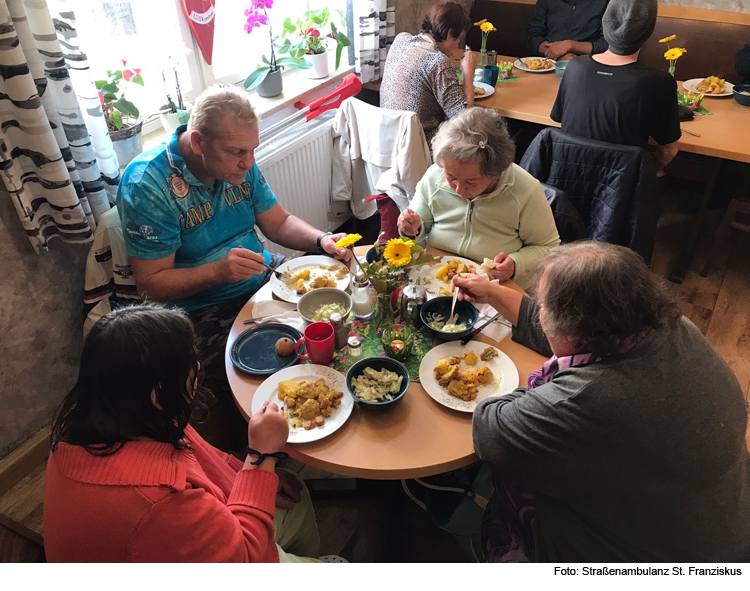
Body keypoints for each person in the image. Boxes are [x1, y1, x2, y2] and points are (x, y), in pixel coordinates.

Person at [452, 242, 750, 562]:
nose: (536, 309)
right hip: (724, 524)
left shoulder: (578, 401)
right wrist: (493, 292)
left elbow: (490, 433)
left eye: (541, 305)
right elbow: (568, 335)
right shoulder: (663, 325)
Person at [116, 85, 351, 448]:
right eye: (237, 152)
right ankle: (253, 457)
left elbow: (277, 223)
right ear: (197, 142)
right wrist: (218, 272)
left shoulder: (240, 165)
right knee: (244, 380)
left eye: (252, 150)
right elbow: (151, 285)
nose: (248, 162)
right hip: (196, 309)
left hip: (262, 278)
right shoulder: (147, 184)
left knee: (331, 326)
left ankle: (306, 433)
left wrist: (322, 240)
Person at [44, 304, 323, 562]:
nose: (198, 367)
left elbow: (205, 462)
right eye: (189, 366)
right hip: (237, 557)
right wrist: (262, 456)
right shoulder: (159, 503)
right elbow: (245, 559)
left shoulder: (112, 415)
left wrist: (252, 477)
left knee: (296, 499)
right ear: (157, 394)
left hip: (191, 539)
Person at [397, 108, 560, 289]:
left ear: (496, 172)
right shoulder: (434, 175)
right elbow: (420, 228)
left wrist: (515, 264)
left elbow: (548, 247)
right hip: (437, 278)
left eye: (471, 181)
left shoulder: (525, 190)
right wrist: (411, 228)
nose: (459, 189)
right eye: (451, 177)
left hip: (496, 286)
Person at [550, 0, 680, 176]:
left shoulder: (574, 67)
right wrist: (654, 171)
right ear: (648, 30)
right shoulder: (660, 82)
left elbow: (559, 120)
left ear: (606, 23)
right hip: (620, 190)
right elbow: (668, 151)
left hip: (566, 181)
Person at [380, 1, 477, 144]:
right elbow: (464, 120)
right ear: (449, 34)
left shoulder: (400, 40)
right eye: (458, 38)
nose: (457, 45)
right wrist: (469, 73)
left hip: (386, 145)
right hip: (421, 150)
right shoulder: (438, 62)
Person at [526, 0, 610, 61]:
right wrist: (556, 54)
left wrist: (572, 45)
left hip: (587, 67)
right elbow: (533, 36)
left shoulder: (607, 3)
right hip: (545, 64)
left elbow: (607, 45)